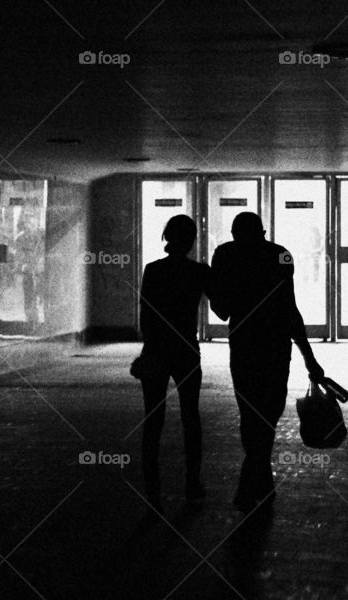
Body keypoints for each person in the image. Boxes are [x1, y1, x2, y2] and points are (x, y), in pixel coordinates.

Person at [210, 212, 324, 512]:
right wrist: (309, 357)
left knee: (249, 411)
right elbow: (290, 309)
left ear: (235, 233)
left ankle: (256, 475)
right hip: (276, 345)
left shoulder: (225, 254)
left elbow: (220, 310)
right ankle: (258, 475)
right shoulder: (281, 255)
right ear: (263, 231)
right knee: (269, 410)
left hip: (244, 344)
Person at [138, 215, 211, 513]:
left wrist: (148, 351)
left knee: (153, 420)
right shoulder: (198, 272)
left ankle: (152, 492)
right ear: (191, 240)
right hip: (186, 349)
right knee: (190, 417)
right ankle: (192, 483)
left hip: (157, 350)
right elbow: (221, 308)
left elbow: (147, 315)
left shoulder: (153, 270)